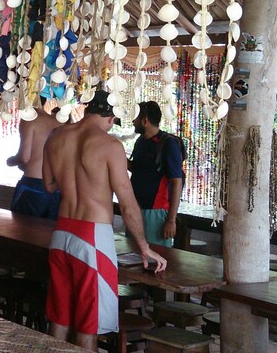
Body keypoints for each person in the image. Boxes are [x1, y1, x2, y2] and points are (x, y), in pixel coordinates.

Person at [42, 90, 167, 351]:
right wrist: (143, 246)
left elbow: (50, 185)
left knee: (60, 317)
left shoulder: (55, 136)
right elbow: (127, 201)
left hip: (61, 232)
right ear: (111, 118)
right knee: (89, 323)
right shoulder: (110, 146)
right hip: (92, 238)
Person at [129, 101, 184, 247]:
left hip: (156, 212)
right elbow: (138, 169)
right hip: (135, 208)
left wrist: (171, 220)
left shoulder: (168, 143)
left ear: (145, 121)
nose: (133, 121)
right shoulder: (140, 141)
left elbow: (176, 181)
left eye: (135, 118)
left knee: (156, 258)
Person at [7, 101, 62, 218]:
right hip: (55, 186)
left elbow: (24, 157)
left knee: (22, 230)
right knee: (47, 231)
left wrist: (10, 161)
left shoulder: (29, 120)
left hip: (33, 184)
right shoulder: (58, 122)